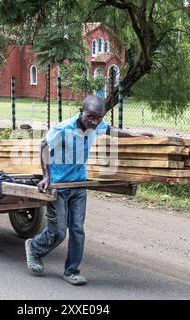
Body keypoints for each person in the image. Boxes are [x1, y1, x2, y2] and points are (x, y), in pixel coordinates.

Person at [24, 95, 153, 285]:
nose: (94, 122)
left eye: (98, 117)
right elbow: (44, 146)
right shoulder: (63, 129)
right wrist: (46, 176)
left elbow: (110, 129)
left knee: (77, 229)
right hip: (58, 185)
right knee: (59, 231)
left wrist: (135, 135)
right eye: (90, 117)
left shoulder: (97, 125)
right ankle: (34, 247)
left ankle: (72, 271)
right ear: (81, 112)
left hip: (78, 185)